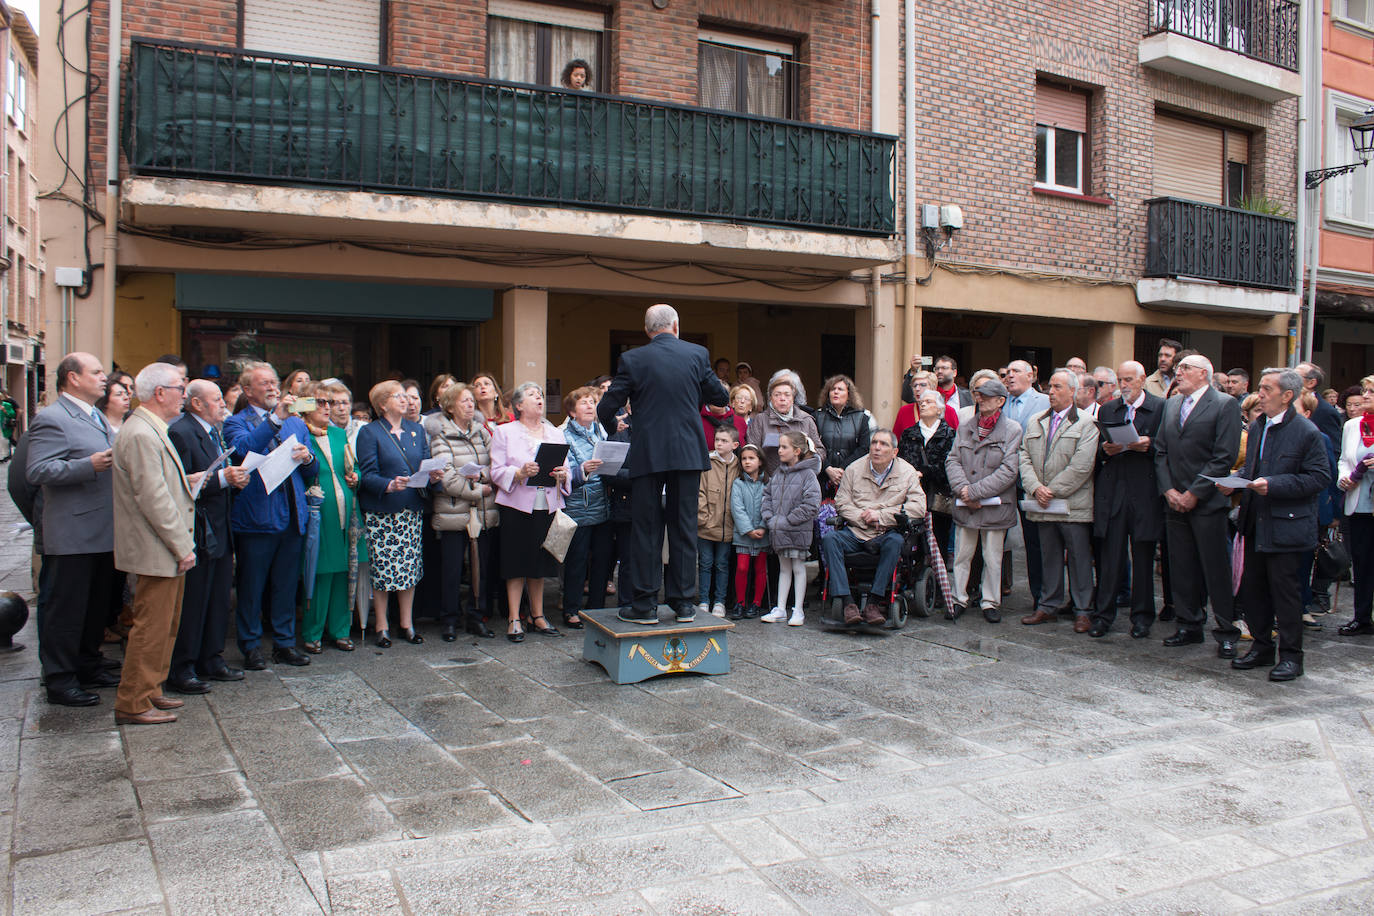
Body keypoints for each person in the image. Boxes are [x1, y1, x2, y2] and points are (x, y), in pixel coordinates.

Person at [598, 305, 728, 624]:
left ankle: (644, 605)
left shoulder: (633, 359)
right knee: (683, 527)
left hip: (649, 452)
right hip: (687, 451)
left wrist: (614, 425)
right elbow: (720, 398)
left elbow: (607, 406)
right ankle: (684, 603)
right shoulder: (697, 354)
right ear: (675, 325)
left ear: (647, 330)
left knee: (646, 529)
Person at [1223, 369, 1331, 681]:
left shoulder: (1307, 432)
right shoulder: (1258, 426)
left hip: (1286, 526)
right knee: (1254, 589)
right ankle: (1261, 646)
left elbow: (1318, 478)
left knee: (1285, 594)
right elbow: (1253, 469)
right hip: (1255, 520)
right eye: (1260, 387)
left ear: (1287, 396)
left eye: (1267, 388)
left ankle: (1291, 657)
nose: (1261, 392)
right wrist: (1234, 482)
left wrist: (1273, 484)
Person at [26, 353, 119, 707]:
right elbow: (37, 472)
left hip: (102, 530)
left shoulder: (95, 415)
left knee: (95, 606)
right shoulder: (52, 418)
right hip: (72, 534)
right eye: (96, 372)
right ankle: (60, 679)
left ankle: (87, 663)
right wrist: (87, 465)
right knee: (65, 609)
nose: (103, 378)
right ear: (72, 378)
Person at [109, 363, 199, 725]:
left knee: (165, 623)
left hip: (161, 544)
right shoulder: (143, 433)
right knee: (152, 625)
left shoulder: (149, 428)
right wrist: (182, 545)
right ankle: (133, 701)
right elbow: (153, 498)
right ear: (159, 392)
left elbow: (160, 486)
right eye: (181, 387)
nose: (185, 395)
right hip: (157, 545)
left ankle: (151, 689)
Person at [224, 362, 319, 668]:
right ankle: (251, 645)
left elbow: (312, 472)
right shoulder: (237, 422)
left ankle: (284, 643)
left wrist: (308, 458)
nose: (272, 387)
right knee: (252, 587)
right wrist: (275, 420)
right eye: (263, 383)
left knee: (286, 585)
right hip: (256, 518)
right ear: (248, 390)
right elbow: (242, 451)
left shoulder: (297, 423)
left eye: (274, 382)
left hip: (292, 515)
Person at [1154, 354, 1243, 655]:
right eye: (1178, 369)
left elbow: (1224, 456)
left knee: (1215, 568)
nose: (1178, 373)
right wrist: (1168, 490)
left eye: (1185, 368)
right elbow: (1161, 452)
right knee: (1181, 567)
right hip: (1174, 501)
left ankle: (1226, 629)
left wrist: (1194, 492)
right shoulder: (1172, 404)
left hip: (1206, 503)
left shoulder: (1224, 404)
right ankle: (1188, 624)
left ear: (1204, 374)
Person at [166, 380, 250, 693]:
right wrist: (221, 479)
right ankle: (183, 665)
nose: (223, 404)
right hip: (199, 528)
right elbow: (180, 484)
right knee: (195, 600)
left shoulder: (214, 431)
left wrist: (233, 479)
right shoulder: (182, 432)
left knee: (217, 599)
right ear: (197, 403)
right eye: (217, 399)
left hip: (220, 526)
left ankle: (211, 658)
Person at [356, 380, 442, 648]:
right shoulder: (370, 432)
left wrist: (433, 475)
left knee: (409, 569)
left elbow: (424, 465)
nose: (405, 400)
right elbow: (367, 474)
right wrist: (388, 485)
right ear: (383, 404)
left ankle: (407, 623)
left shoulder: (417, 429)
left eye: (406, 396)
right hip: (383, 512)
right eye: (398, 396)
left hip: (411, 510)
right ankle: (381, 624)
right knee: (383, 571)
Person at [1018, 369, 1100, 632]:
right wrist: (1035, 487)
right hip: (1042, 503)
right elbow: (1024, 457)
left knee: (1078, 558)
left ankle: (1083, 609)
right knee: (1049, 557)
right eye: (1050, 387)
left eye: (1057, 387)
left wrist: (1051, 490)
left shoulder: (1087, 423)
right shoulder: (1036, 420)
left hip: (1071, 505)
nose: (1051, 392)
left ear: (1072, 391)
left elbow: (1082, 465)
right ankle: (1048, 605)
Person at [1089, 361, 1165, 639]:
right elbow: (1098, 449)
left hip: (1144, 492)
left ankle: (1143, 617)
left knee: (1143, 557)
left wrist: (1148, 444)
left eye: (1129, 379)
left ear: (1143, 379)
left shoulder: (1160, 407)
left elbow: (1168, 446)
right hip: (1115, 491)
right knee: (1110, 558)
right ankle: (1103, 616)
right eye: (1120, 380)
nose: (1124, 385)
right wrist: (1107, 449)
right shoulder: (1109, 408)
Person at [821, 428, 925, 626]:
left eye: (883, 444)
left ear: (894, 452)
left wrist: (882, 516)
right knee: (830, 539)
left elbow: (918, 507)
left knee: (895, 542)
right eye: (874, 443)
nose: (877, 448)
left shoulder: (907, 472)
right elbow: (841, 502)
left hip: (885, 531)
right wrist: (862, 518)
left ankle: (874, 603)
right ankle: (847, 602)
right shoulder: (854, 469)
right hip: (856, 530)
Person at [491, 381, 571, 640]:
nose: (539, 398)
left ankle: (538, 616)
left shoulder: (555, 433)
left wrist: (562, 474)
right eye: (532, 395)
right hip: (517, 505)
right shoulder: (504, 432)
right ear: (518, 405)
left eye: (540, 395)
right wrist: (519, 472)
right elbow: (496, 471)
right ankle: (514, 617)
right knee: (516, 562)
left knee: (540, 563)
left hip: (547, 504)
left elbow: (566, 468)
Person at [944, 379, 1023, 622]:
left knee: (992, 557)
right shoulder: (966, 426)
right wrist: (963, 490)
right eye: (979, 395)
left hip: (995, 506)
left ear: (1001, 401)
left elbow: (1009, 471)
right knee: (961, 555)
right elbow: (952, 460)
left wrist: (975, 492)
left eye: (988, 397)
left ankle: (990, 602)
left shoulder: (1013, 429)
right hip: (966, 503)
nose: (981, 400)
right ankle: (958, 598)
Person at [430, 382, 498, 641]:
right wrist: (478, 490)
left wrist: (482, 475)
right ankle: (449, 619)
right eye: (464, 401)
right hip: (453, 512)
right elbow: (446, 478)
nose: (470, 405)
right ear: (450, 406)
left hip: (482, 512)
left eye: (471, 400)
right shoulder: (441, 435)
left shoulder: (483, 433)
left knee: (481, 568)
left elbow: (498, 465)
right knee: (452, 569)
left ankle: (476, 616)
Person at [298, 383, 358, 654]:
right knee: (319, 572)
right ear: (306, 406)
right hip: (317, 514)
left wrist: (357, 476)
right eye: (320, 402)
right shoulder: (299, 434)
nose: (326, 407)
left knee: (344, 572)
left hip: (346, 512)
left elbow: (352, 466)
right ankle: (312, 632)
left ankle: (341, 631)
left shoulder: (338, 433)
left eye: (328, 402)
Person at [561, 385, 614, 628]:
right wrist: (582, 470)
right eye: (583, 403)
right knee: (577, 561)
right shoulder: (564, 435)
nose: (590, 406)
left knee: (602, 559)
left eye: (592, 402)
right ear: (572, 412)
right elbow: (564, 473)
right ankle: (571, 609)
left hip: (602, 504)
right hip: (579, 506)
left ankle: (596, 608)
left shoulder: (600, 432)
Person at [1002, 360, 1050, 611]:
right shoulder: (1001, 402)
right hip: (1003, 482)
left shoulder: (1044, 403)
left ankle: (1041, 595)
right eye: (1007, 372)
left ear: (1030, 376)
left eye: (1015, 372)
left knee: (1035, 541)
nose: (1009, 376)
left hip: (1032, 482)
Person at [761, 431, 821, 626]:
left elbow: (811, 504)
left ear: (796, 451)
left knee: (798, 568)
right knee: (784, 568)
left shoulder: (808, 475)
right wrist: (770, 518)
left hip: (797, 531)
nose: (779, 450)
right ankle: (780, 608)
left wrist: (788, 520)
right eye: (779, 446)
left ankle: (798, 609)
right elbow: (767, 496)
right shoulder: (778, 473)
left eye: (784, 447)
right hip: (780, 531)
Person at [897, 389, 955, 555]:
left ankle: (937, 578)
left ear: (939, 409)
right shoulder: (909, 433)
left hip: (939, 496)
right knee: (912, 540)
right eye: (921, 402)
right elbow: (901, 461)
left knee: (939, 541)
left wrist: (923, 472)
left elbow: (949, 465)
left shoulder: (949, 434)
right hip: (911, 494)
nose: (923, 404)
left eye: (929, 402)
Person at [1336, 390, 1374, 637]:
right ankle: (1362, 617)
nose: (1365, 395)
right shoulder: (1352, 425)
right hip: (1360, 504)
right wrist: (1343, 478)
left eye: (1371, 391)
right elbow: (1343, 460)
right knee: (1362, 562)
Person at [697, 425, 740, 617]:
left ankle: (720, 601)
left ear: (735, 444)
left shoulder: (739, 466)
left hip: (728, 526)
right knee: (705, 563)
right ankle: (704, 600)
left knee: (722, 564)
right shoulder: (707, 461)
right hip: (706, 525)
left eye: (724, 441)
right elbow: (700, 491)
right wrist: (702, 518)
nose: (719, 444)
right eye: (717, 440)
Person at [746, 374, 825, 477]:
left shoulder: (806, 420)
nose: (782, 398)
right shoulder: (760, 420)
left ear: (793, 398)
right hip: (769, 482)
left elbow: (821, 452)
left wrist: (805, 453)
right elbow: (751, 451)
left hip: (800, 481)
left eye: (787, 395)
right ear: (770, 398)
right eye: (777, 394)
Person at [814, 374, 874, 499]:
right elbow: (814, 446)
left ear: (849, 395)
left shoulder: (861, 417)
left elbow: (864, 448)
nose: (835, 392)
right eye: (832, 389)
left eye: (840, 389)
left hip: (851, 477)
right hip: (823, 478)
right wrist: (828, 468)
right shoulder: (818, 416)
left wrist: (842, 469)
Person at [729, 444, 769, 619]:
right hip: (743, 535)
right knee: (742, 568)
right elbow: (737, 508)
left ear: (760, 461)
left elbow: (770, 506)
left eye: (751, 458)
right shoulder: (738, 483)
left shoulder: (768, 483)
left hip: (762, 534)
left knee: (760, 568)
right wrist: (748, 529)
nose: (747, 462)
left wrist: (762, 526)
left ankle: (756, 603)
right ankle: (740, 603)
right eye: (744, 458)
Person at [893, 371, 959, 440]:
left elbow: (957, 441)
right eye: (915, 386)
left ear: (933, 388)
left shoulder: (948, 411)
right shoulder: (904, 411)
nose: (917, 389)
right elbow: (895, 442)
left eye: (923, 385)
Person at [1294, 362, 1345, 447]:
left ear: (1311, 383)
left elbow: (1332, 448)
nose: (1290, 380)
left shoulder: (1325, 411)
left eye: (1295, 376)